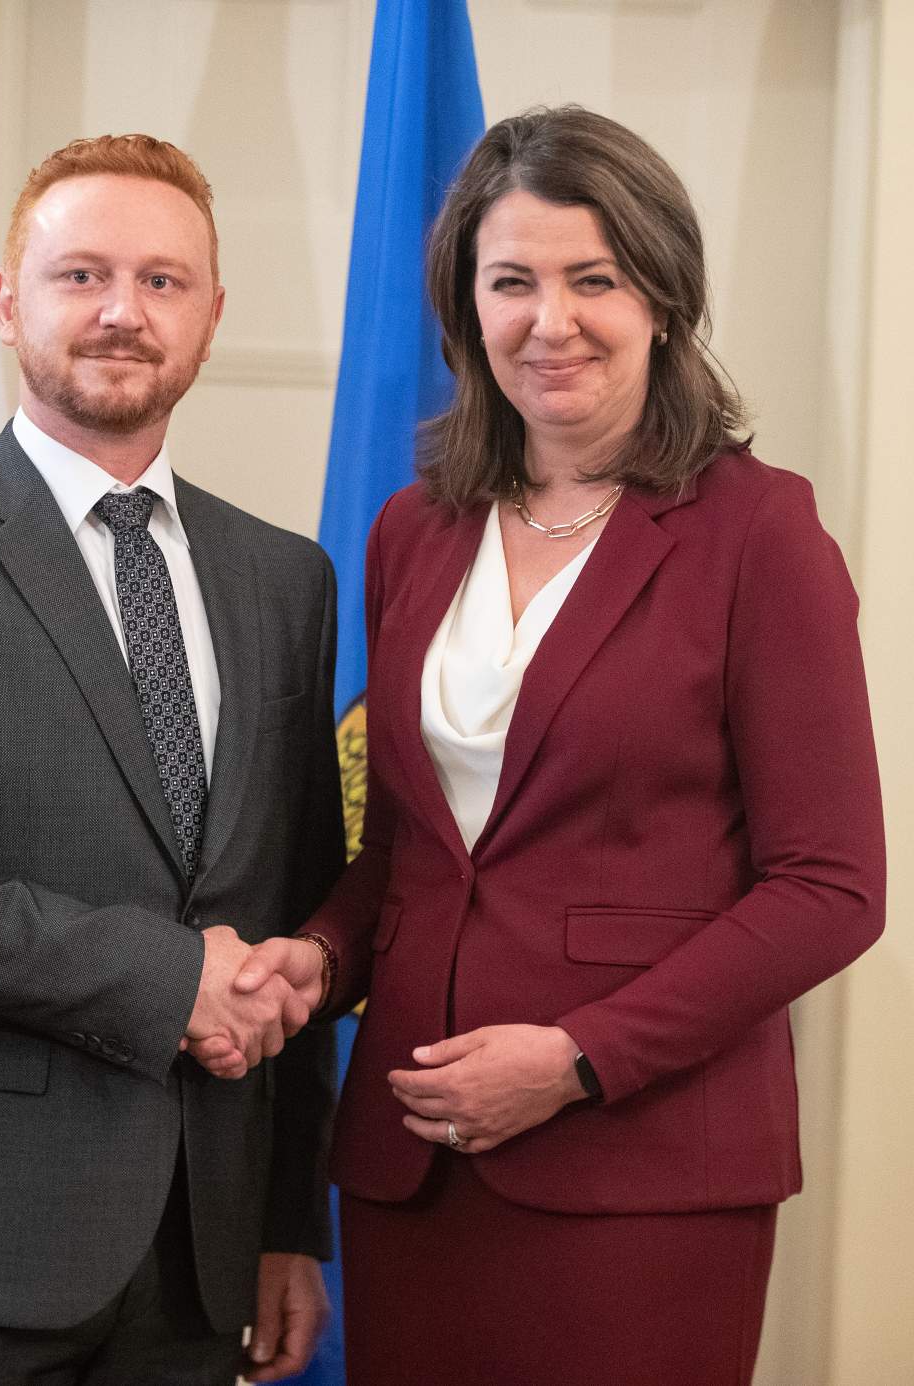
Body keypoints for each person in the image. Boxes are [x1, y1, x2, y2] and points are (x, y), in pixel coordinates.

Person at [189, 107, 885, 1384]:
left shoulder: (757, 533)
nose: (548, 319)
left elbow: (831, 890)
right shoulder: (416, 529)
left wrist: (577, 1061)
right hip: (417, 1165)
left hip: (645, 1171)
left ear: (664, 300)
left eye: (593, 279)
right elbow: (406, 847)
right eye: (511, 281)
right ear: (467, 306)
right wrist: (320, 952)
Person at [0, 134, 343, 1386]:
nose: (119, 313)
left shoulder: (285, 580)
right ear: (7, 299)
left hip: (203, 1256)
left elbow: (295, 899)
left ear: (210, 315)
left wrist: (283, 1225)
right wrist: (171, 984)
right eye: (80, 274)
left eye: (161, 281)